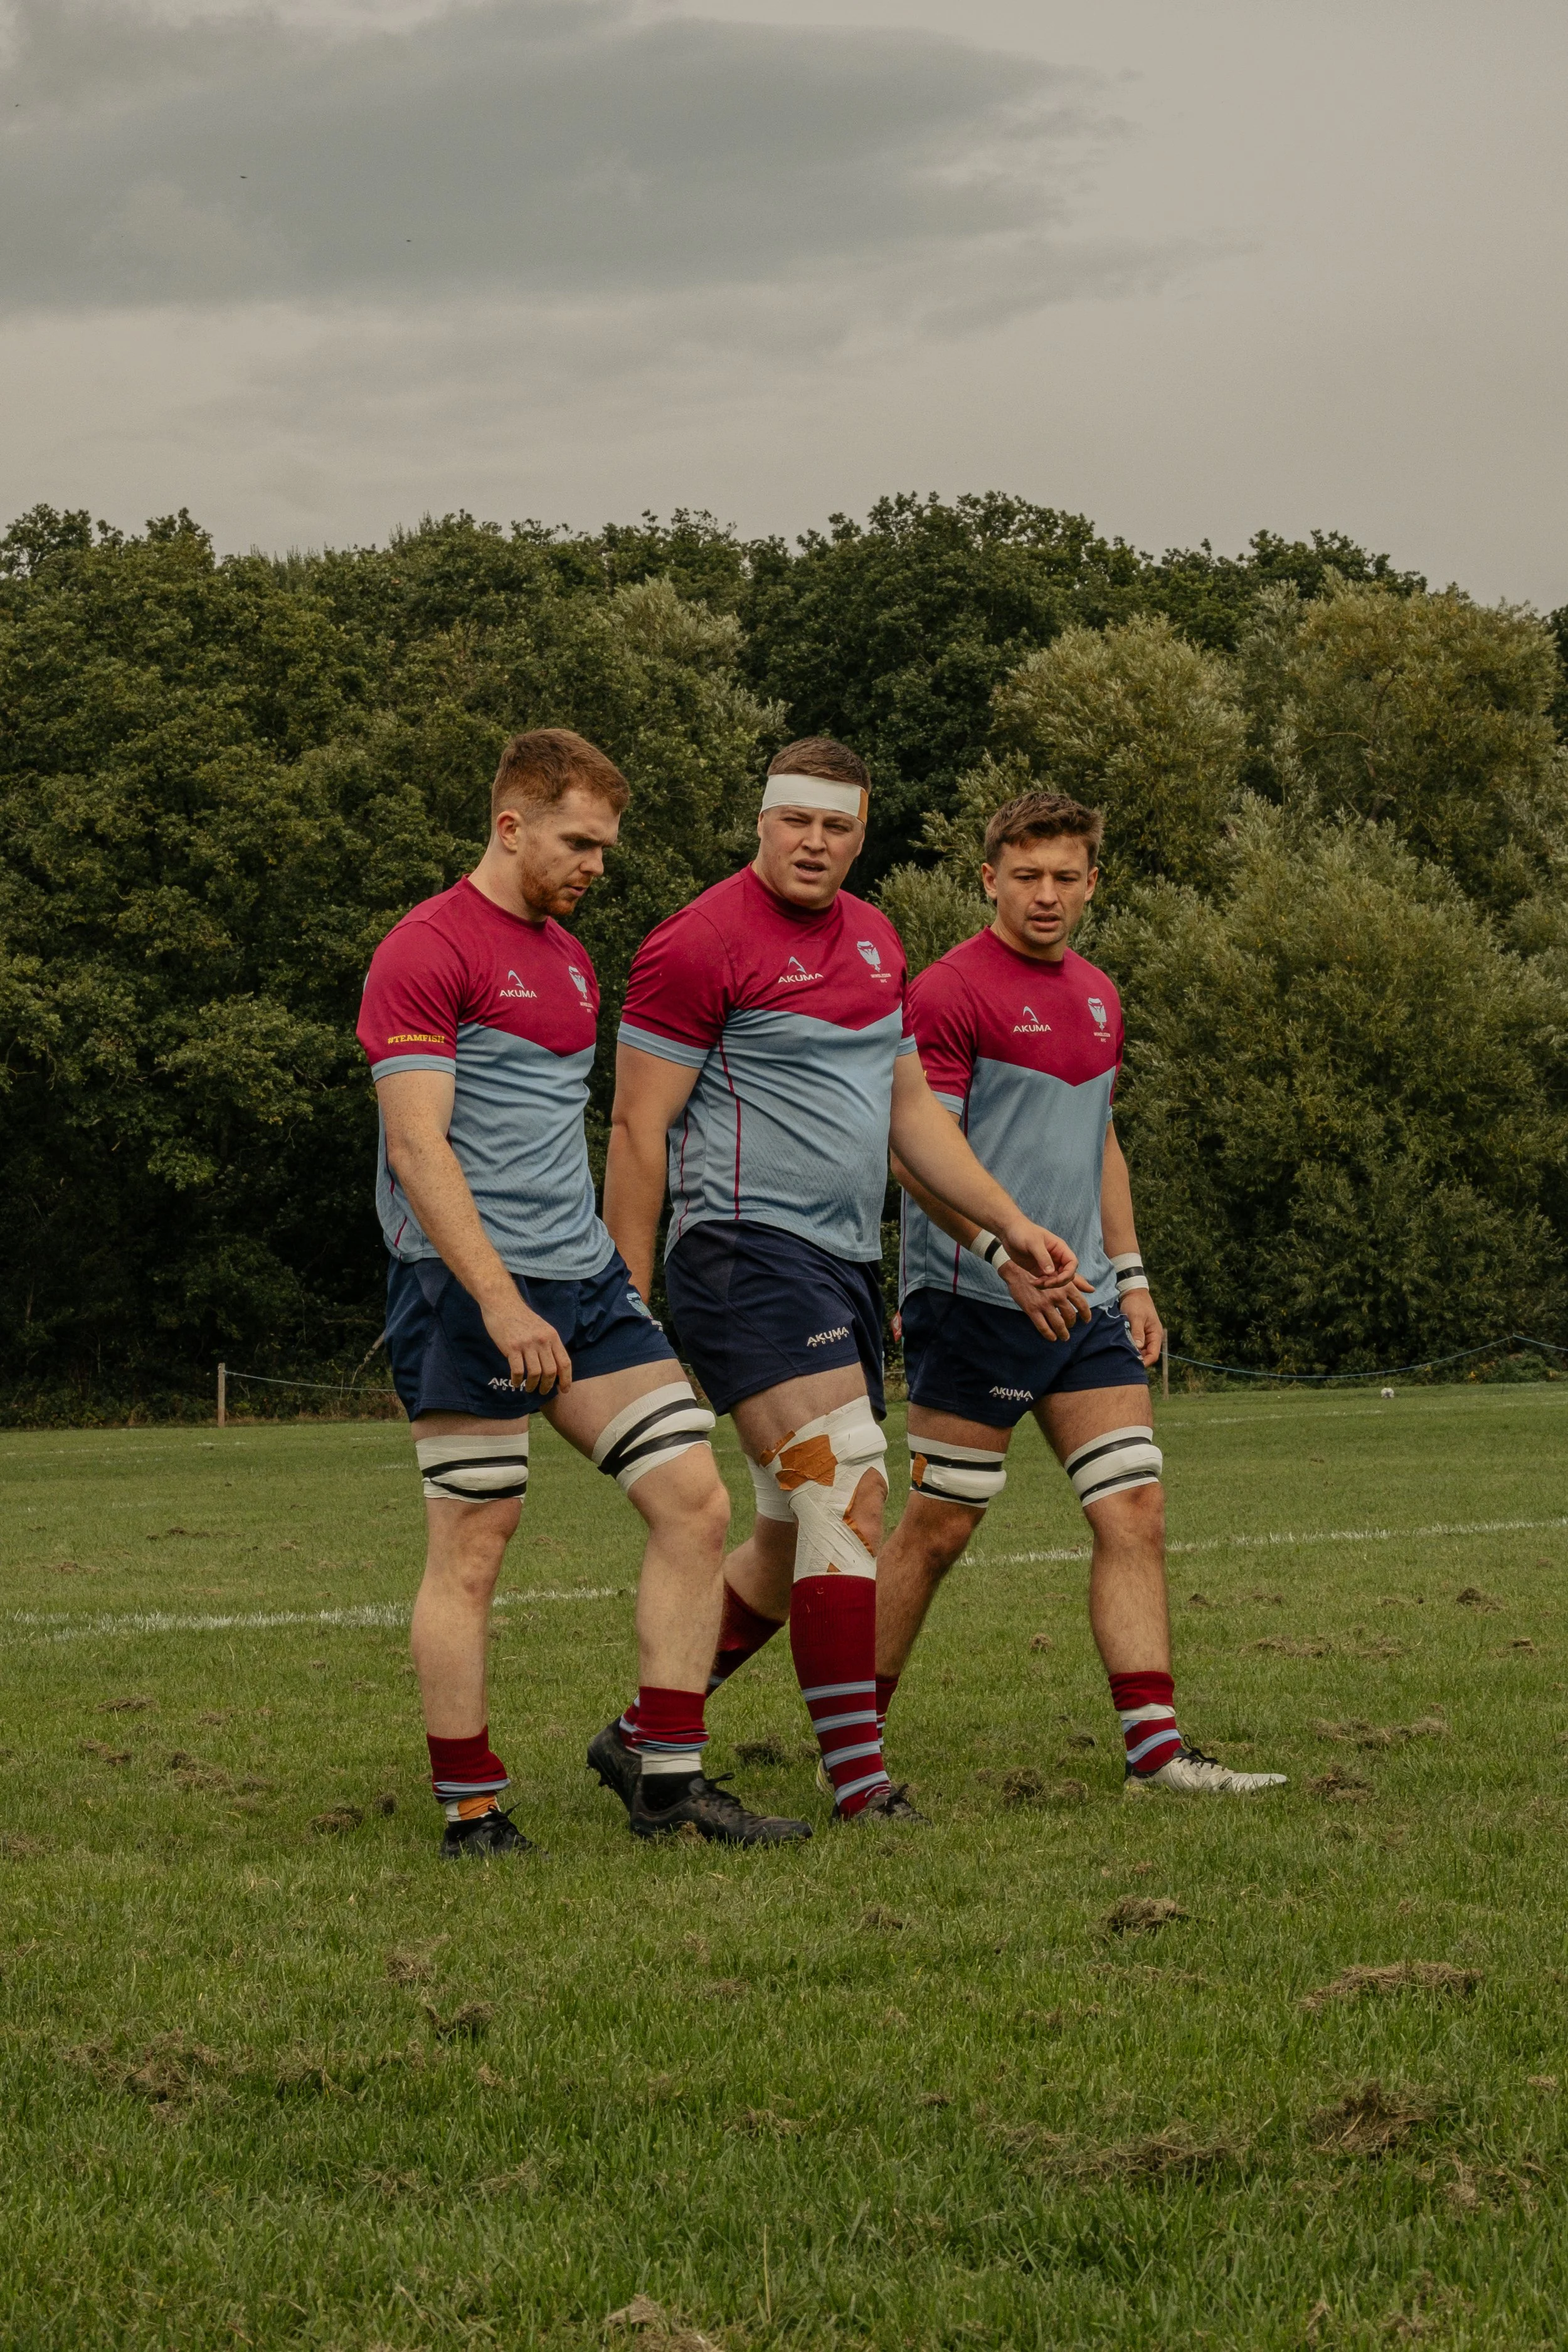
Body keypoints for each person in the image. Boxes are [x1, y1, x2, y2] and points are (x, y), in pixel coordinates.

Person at [588, 739, 1085, 1825]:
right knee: (849, 1486)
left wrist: (1008, 1224)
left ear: (864, 833)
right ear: (762, 819)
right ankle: (861, 1785)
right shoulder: (698, 939)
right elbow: (637, 1124)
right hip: (741, 1253)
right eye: (795, 820)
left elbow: (911, 1112)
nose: (815, 842)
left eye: (838, 825)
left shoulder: (875, 939)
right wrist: (623, 1293)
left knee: (782, 1532)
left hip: (845, 1265)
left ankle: (640, 1736)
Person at [358, 726, 812, 1856]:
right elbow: (419, 1148)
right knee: (477, 1539)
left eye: (605, 847)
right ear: (509, 824)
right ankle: (471, 1811)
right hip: (464, 1287)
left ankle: (665, 1781)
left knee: (694, 1501)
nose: (596, 866)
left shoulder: (567, 957)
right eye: (579, 842)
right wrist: (503, 1302)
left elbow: (574, 1130)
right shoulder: (422, 949)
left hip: (586, 1280)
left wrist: (615, 1274)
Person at [877, 789, 1286, 1796]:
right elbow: (920, 1158)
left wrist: (1131, 1274)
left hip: (1087, 1306)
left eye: (1066, 876)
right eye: (1027, 875)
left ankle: (1156, 1753)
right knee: (940, 1527)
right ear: (989, 879)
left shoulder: (1101, 994)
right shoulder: (946, 992)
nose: (1047, 895)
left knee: (1134, 1508)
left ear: (1093, 882)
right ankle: (852, 1740)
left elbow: (1101, 1138)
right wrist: (1000, 1254)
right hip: (973, 1298)